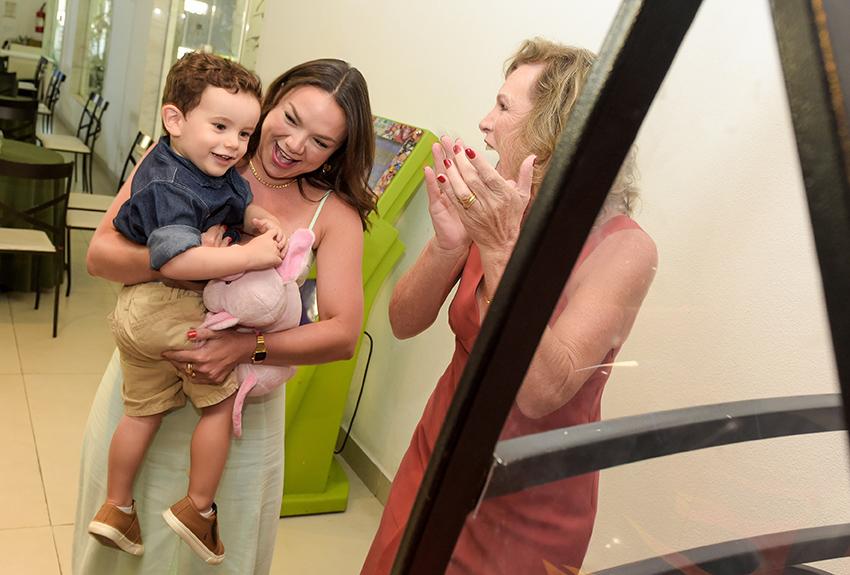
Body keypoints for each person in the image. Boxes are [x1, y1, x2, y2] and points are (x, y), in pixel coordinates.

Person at [361, 38, 658, 575]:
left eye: (502, 107)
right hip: (440, 451)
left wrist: (499, 251)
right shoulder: (495, 205)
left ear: (554, 132)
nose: (484, 121)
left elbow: (542, 392)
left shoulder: (624, 249)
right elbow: (402, 322)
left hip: (529, 493)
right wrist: (447, 246)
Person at [74, 58, 375, 575]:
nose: (295, 145)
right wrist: (197, 264)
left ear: (338, 151)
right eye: (290, 119)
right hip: (143, 387)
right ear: (271, 103)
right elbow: (100, 256)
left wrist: (244, 348)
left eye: (321, 142)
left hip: (238, 415)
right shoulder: (185, 157)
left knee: (211, 558)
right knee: (116, 546)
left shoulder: (335, 215)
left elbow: (343, 334)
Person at [87, 51, 286, 565]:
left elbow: (237, 201)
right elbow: (176, 261)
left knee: (141, 413)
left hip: (136, 314)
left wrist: (257, 218)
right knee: (220, 404)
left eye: (244, 133)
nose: (233, 144)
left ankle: (116, 506)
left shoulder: (203, 165)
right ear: (174, 119)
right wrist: (248, 255)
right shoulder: (170, 184)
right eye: (220, 126)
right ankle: (198, 508)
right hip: (167, 306)